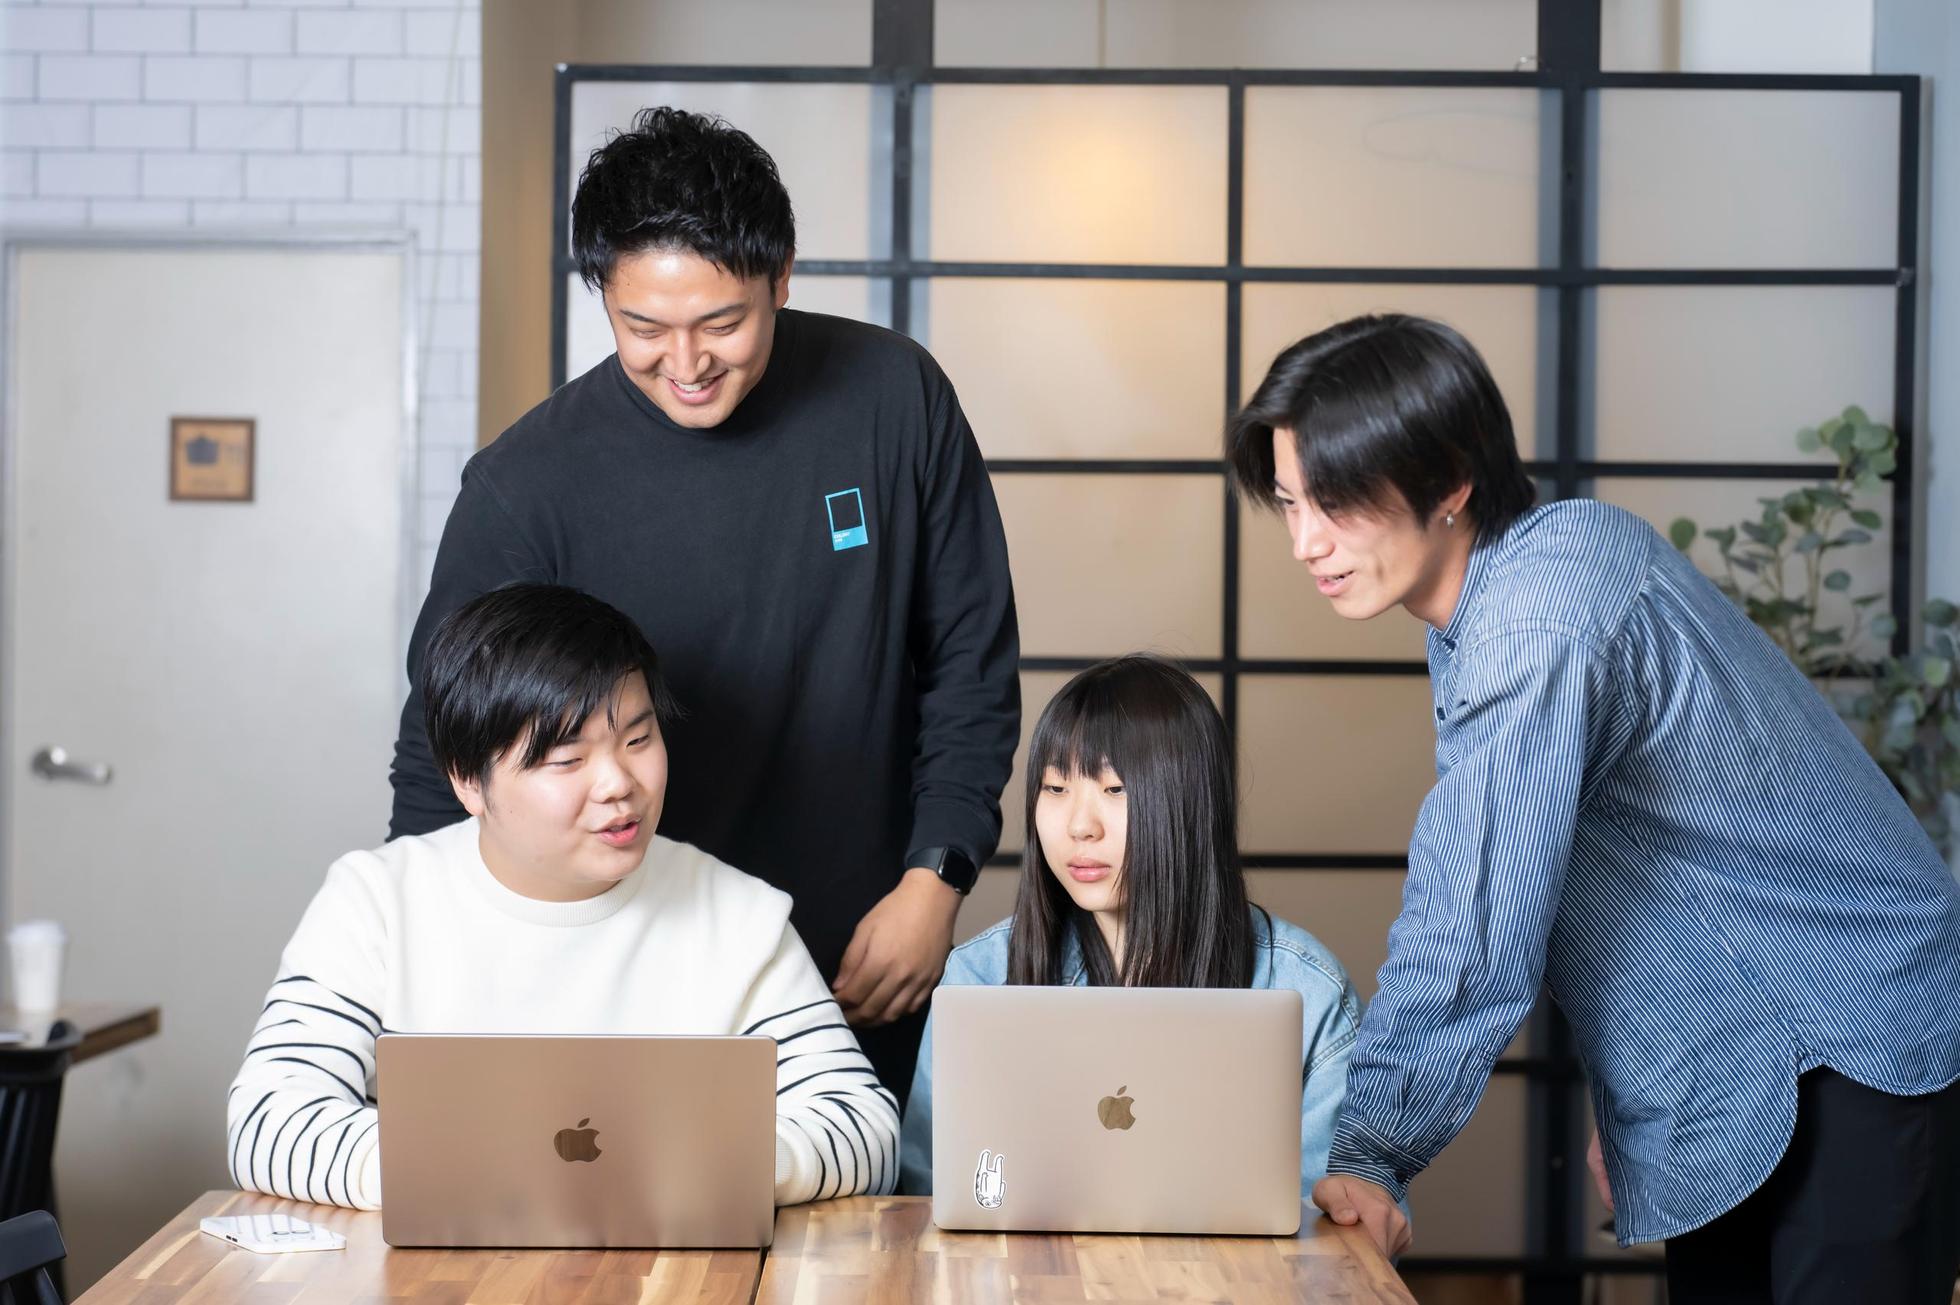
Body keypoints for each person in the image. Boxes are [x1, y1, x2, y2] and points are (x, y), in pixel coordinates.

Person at [1228, 313, 1960, 1302]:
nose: (1306, 542)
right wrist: (1647, 1083)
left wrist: (1371, 1150)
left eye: (1338, 501)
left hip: (1844, 1033)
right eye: (1289, 503)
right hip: (1745, 1055)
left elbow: (1473, 918)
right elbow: (1638, 868)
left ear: (1450, 480)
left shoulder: (1537, 618)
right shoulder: (1526, 578)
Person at [386, 107, 1019, 1103]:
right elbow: (443, 748)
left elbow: (969, 662)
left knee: (856, 1198)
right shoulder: (528, 483)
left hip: (861, 954)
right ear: (604, 294)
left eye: (722, 323)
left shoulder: (893, 399)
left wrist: (934, 880)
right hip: (618, 966)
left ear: (782, 276)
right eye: (643, 328)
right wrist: (428, 979)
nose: (685, 364)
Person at [229, 584, 898, 1208]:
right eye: (567, 760)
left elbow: (863, 1126)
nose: (619, 783)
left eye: (639, 739)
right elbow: (268, 1122)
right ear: (468, 781)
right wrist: (488, 1173)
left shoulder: (739, 915)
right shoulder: (377, 902)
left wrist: (709, 1167)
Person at [898, 655, 1363, 1198]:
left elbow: (1338, 1225)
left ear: (1189, 800)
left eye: (1114, 789)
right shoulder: (980, 974)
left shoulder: (1305, 989)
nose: (1079, 826)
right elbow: (926, 1195)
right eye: (1056, 788)